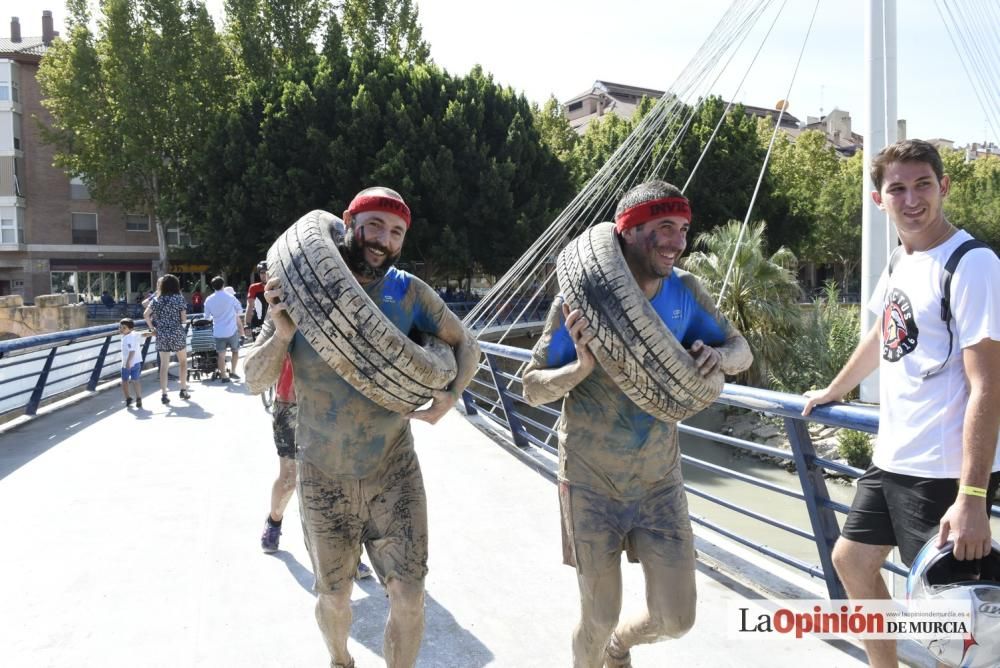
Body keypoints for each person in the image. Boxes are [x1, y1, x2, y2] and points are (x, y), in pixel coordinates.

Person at [245, 187, 480, 668]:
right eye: (374, 225)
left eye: (396, 233)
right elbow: (253, 380)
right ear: (347, 223)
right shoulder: (301, 292)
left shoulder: (409, 291)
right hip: (322, 473)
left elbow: (467, 348)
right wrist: (284, 332)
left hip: (393, 470)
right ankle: (340, 660)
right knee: (334, 599)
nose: (384, 240)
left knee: (410, 595)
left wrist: (449, 400)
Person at [521, 180, 752, 668]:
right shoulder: (581, 299)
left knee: (677, 618)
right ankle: (598, 650)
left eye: (684, 229)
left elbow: (740, 349)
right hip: (590, 481)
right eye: (663, 227)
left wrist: (717, 356)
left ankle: (619, 648)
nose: (677, 241)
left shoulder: (686, 292)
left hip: (658, 481)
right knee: (598, 614)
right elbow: (532, 386)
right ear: (625, 231)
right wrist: (579, 368)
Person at [802, 139, 1000, 668]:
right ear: (878, 199)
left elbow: (987, 386)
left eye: (923, 185)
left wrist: (973, 495)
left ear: (944, 187)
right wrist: (833, 390)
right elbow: (879, 335)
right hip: (892, 458)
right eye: (898, 189)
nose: (911, 199)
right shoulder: (900, 258)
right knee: (852, 563)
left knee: (952, 620)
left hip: (940, 472)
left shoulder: (972, 264)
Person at [259, 355, 375, 580]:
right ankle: (274, 522)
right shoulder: (284, 318)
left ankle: (349, 555)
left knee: (336, 481)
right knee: (289, 479)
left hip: (331, 405)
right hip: (289, 404)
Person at [143, 273, 191, 405]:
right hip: (176, 332)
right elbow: (184, 319)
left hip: (162, 334)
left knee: (164, 366)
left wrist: (153, 328)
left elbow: (146, 314)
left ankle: (164, 394)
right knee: (183, 362)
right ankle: (183, 389)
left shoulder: (157, 299)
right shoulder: (179, 299)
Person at [203, 276, 246, 382]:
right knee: (235, 351)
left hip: (218, 331)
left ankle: (223, 376)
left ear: (213, 287)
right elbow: (240, 310)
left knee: (221, 354)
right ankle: (233, 371)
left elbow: (207, 317)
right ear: (223, 285)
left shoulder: (209, 299)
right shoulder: (230, 297)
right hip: (232, 330)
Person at [119, 318, 142, 409]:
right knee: (135, 380)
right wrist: (151, 333)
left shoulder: (127, 338)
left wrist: (128, 362)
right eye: (120, 327)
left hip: (127, 364)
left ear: (130, 329)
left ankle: (128, 398)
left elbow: (131, 351)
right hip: (137, 362)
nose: (121, 329)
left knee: (125, 381)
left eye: (124, 328)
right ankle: (139, 397)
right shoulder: (134, 334)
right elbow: (143, 335)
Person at [245, 261, 269, 335]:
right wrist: (247, 324)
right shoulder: (254, 288)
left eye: (266, 272)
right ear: (259, 274)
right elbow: (250, 306)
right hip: (258, 323)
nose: (264, 275)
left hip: (275, 322)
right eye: (262, 272)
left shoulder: (276, 286)